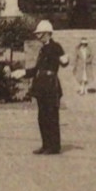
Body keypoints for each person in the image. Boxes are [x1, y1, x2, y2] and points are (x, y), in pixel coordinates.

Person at [29, 19, 69, 155]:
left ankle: (54, 146)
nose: (37, 36)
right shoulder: (43, 49)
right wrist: (23, 72)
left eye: (39, 34)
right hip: (42, 85)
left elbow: (64, 62)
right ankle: (45, 144)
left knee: (52, 116)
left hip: (51, 84)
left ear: (47, 33)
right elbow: (37, 69)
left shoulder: (56, 46)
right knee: (42, 116)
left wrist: (65, 59)